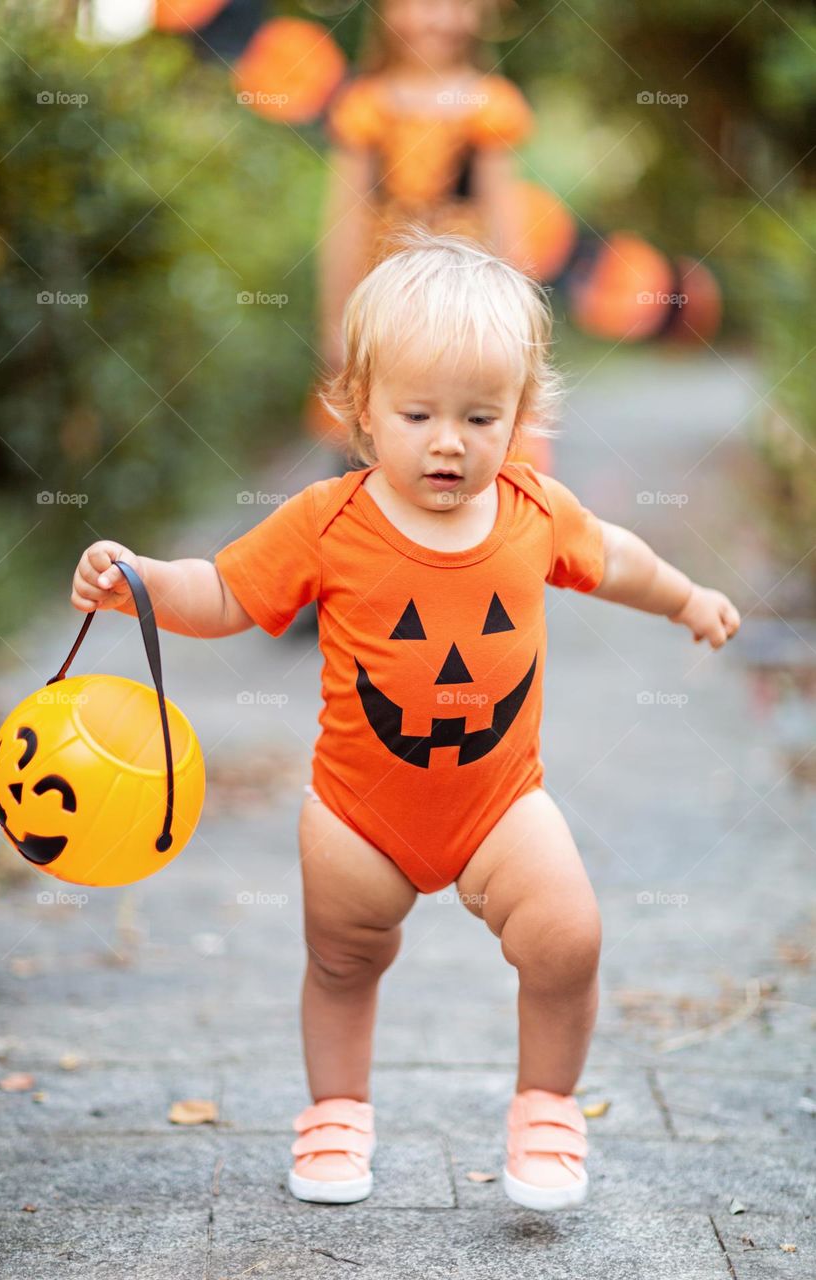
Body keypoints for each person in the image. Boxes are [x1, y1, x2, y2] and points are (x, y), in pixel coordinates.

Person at [70, 230, 740, 1213]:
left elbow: (621, 558)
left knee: (568, 937)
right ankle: (335, 1111)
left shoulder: (532, 511)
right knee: (342, 964)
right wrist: (139, 585)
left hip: (500, 802)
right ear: (359, 409)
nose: (449, 440)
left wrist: (684, 596)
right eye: (417, 411)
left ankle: (547, 1106)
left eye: (481, 414)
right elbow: (221, 593)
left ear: (521, 415)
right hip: (356, 812)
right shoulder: (326, 521)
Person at [308, 0, 554, 472]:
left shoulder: (490, 105)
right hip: (383, 304)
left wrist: (520, 327)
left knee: (459, 432)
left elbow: (507, 226)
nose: (439, 20)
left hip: (463, 307)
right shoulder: (366, 106)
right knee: (370, 444)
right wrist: (334, 322)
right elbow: (343, 223)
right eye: (423, 6)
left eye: (456, 6)